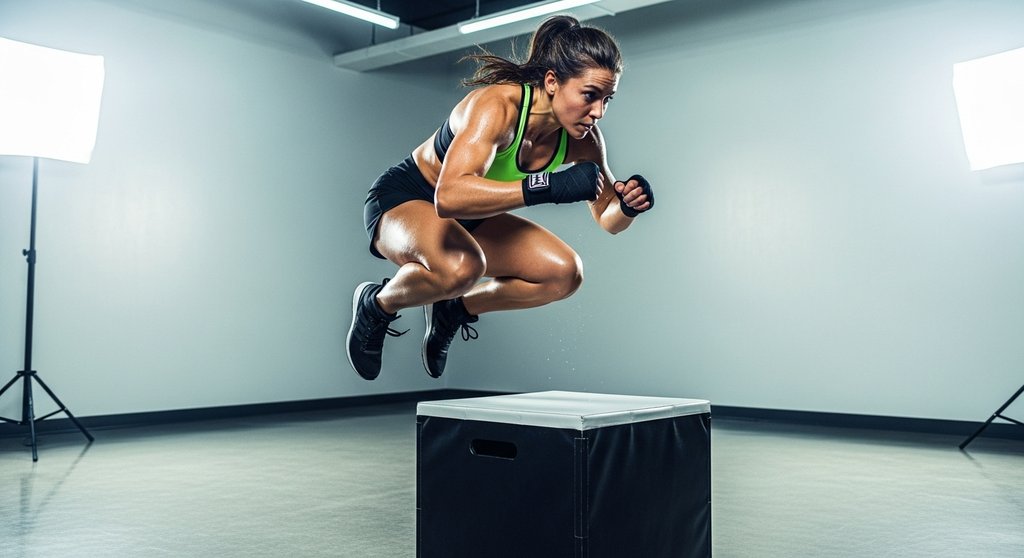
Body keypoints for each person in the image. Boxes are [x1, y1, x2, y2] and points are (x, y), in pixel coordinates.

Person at [347, 15, 654, 381]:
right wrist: (546, 187)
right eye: (589, 95)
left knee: (564, 273)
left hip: (473, 213)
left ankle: (455, 310)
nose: (598, 112)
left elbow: (608, 219)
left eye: (608, 99)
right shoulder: (499, 107)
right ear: (553, 82)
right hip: (409, 197)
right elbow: (449, 196)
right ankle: (376, 304)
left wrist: (629, 205)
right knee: (463, 267)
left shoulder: (584, 140)